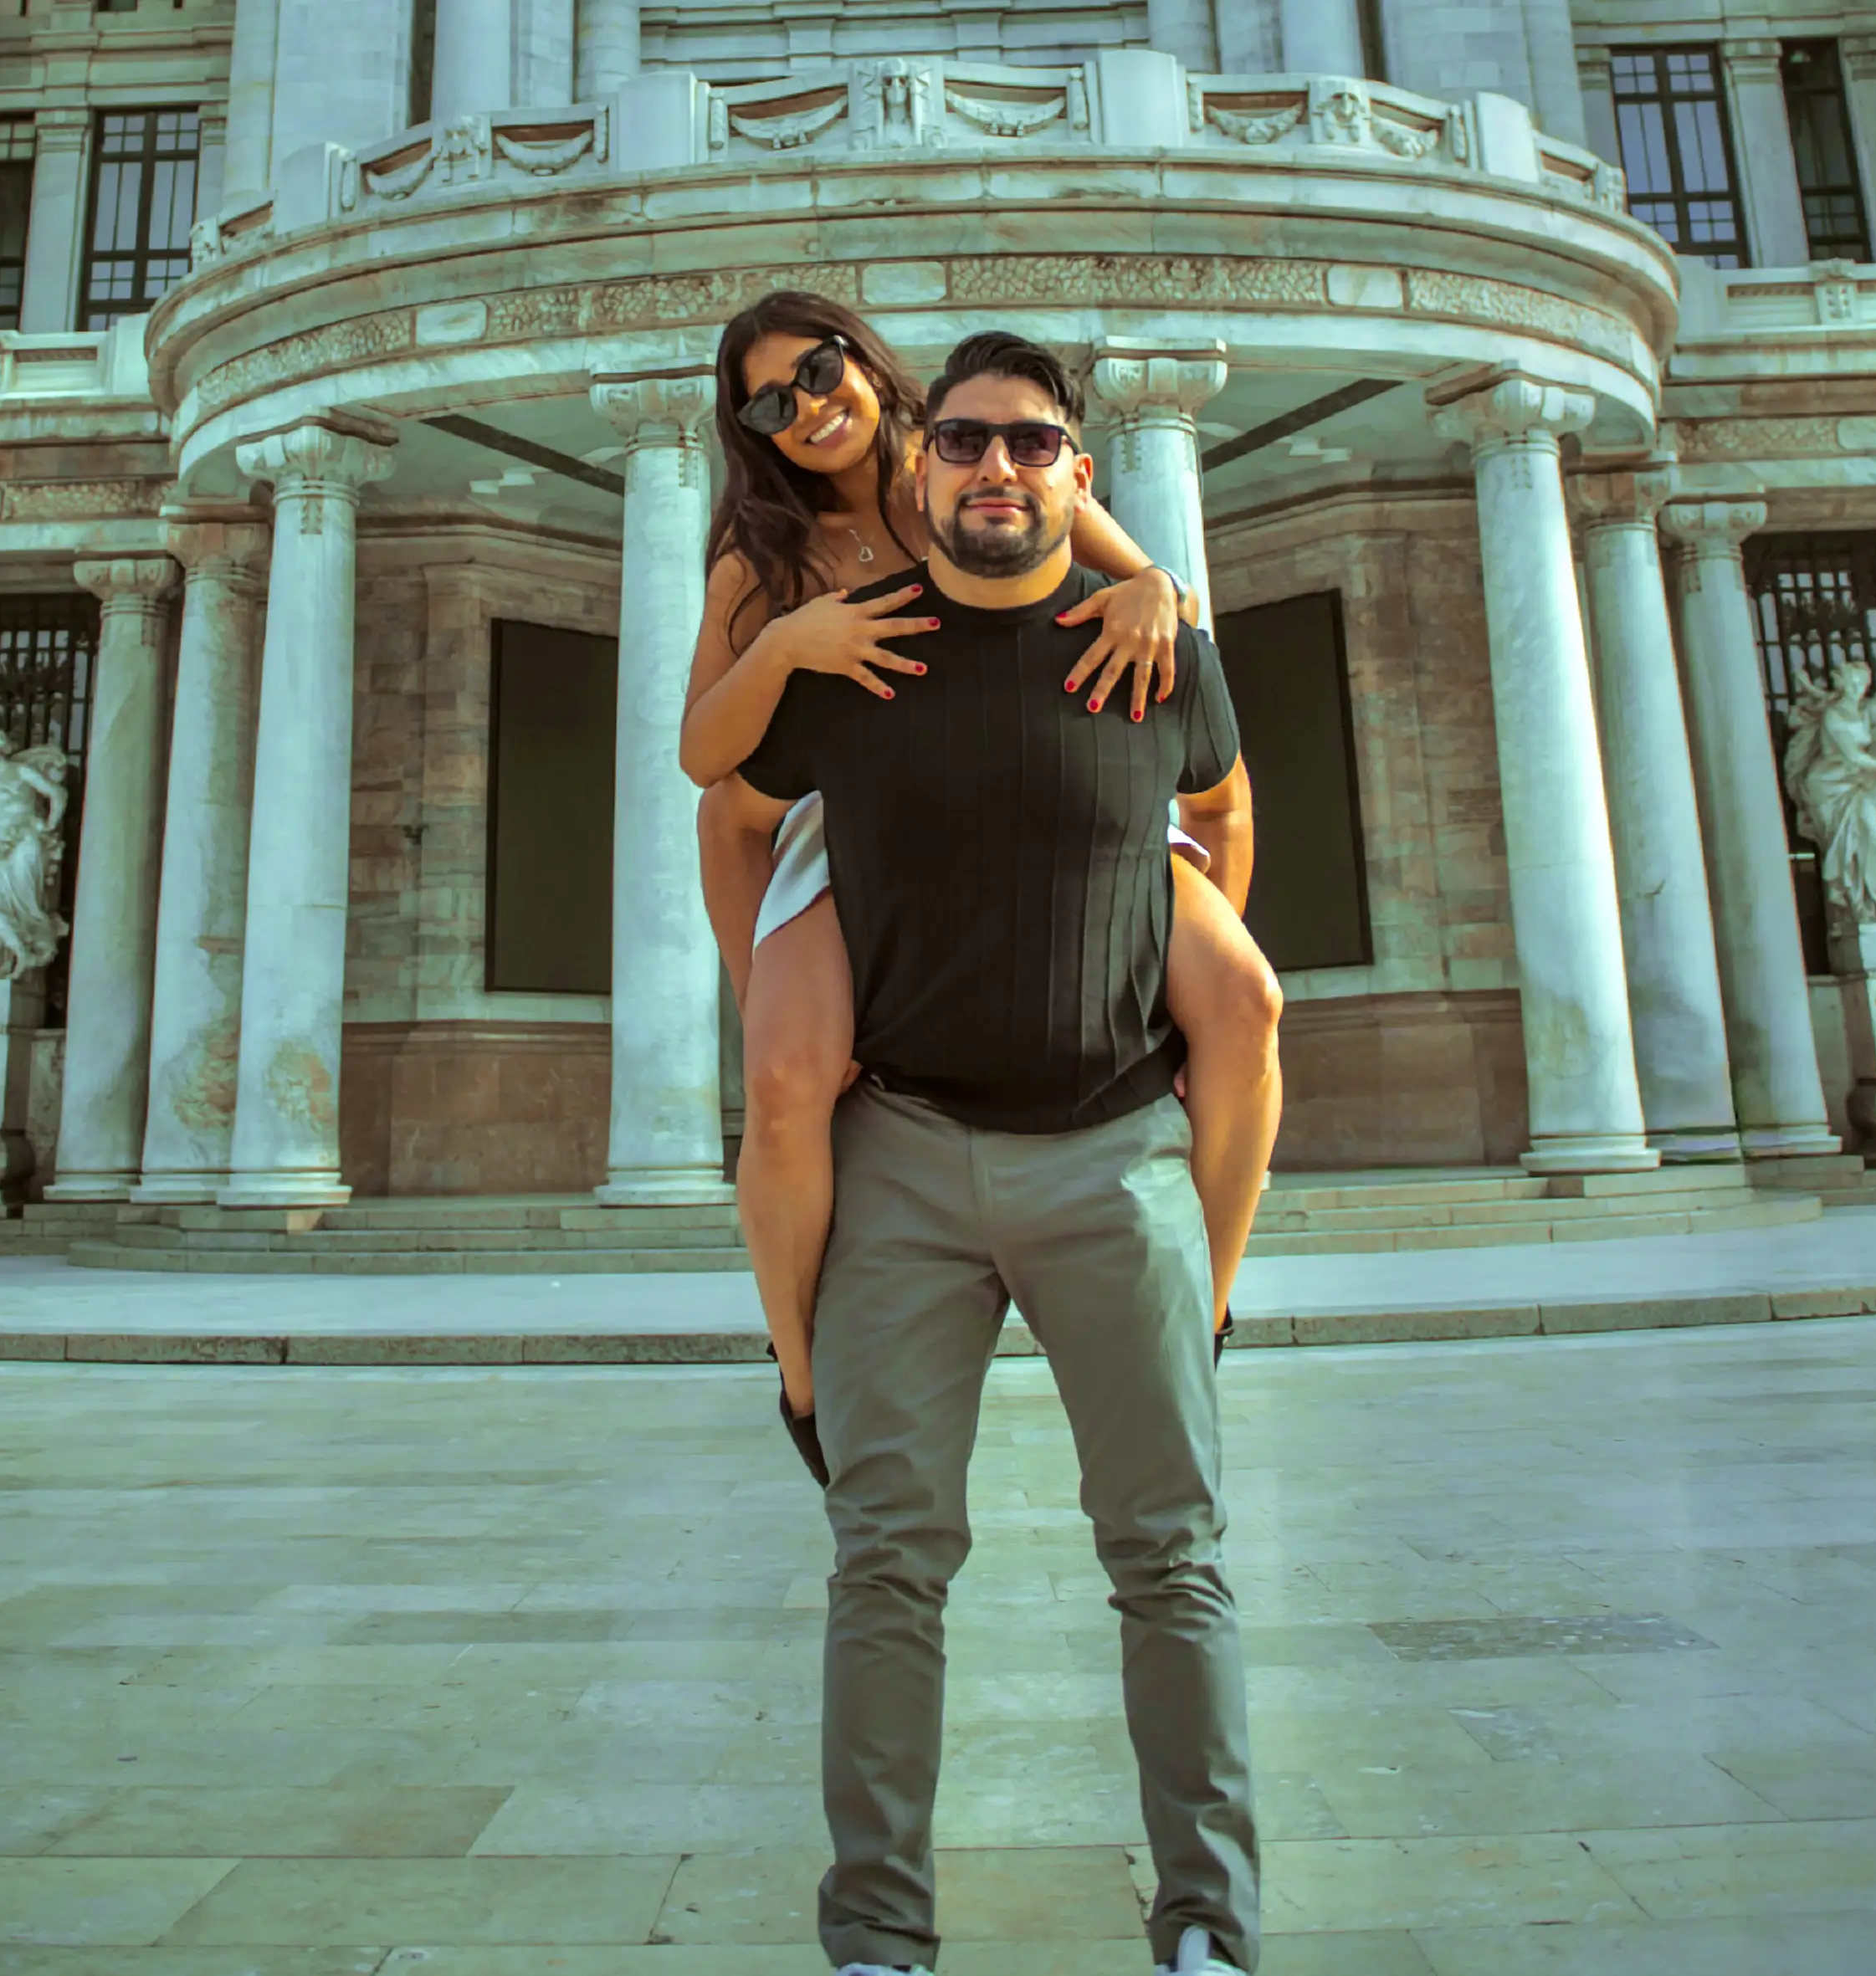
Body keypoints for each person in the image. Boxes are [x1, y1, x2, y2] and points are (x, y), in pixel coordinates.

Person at [706, 331, 1260, 1976]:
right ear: (925, 460)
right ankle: (876, 1935)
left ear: (1076, 471)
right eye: (964, 441)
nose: (993, 466)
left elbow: (1225, 804)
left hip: (1115, 1160)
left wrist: (1180, 929)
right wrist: (760, 962)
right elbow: (722, 787)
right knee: (884, 1562)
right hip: (904, 1162)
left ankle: (1208, 1924)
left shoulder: (1153, 644)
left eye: (1027, 442)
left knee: (1170, 1557)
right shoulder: (843, 651)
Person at [683, 290, 1283, 1440]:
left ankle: (1201, 1311)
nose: (806, 407)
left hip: (1060, 794)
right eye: (768, 404)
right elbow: (706, 765)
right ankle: (804, 1381)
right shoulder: (760, 563)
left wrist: (1150, 589)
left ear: (864, 361)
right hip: (870, 820)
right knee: (784, 1080)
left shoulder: (974, 462)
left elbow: (1155, 588)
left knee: (1247, 1000)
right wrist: (789, 642)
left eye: (819, 371)